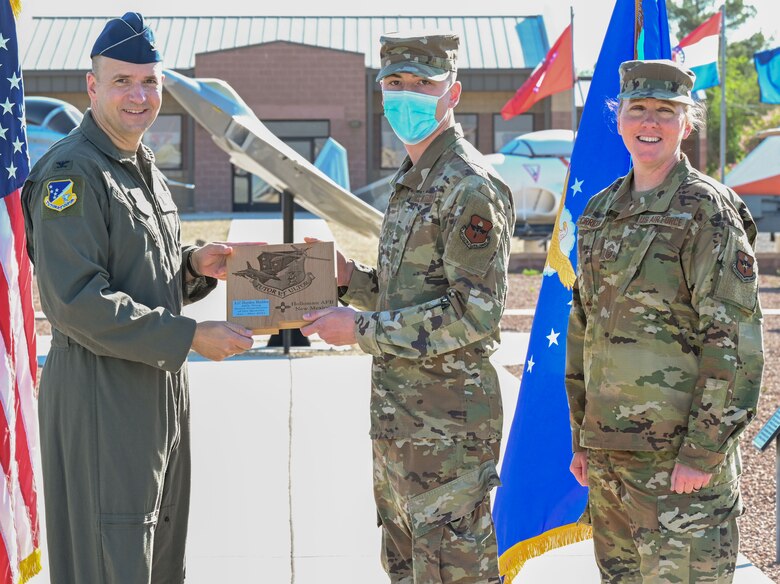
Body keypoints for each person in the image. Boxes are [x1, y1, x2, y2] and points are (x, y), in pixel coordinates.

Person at [21, 13, 254, 583]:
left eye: (149, 81)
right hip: (103, 396)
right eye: (122, 81)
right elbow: (76, 300)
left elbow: (139, 276)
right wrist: (190, 337)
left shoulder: (142, 167)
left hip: (158, 389)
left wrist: (193, 267)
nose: (139, 94)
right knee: (114, 558)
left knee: (159, 556)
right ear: (92, 86)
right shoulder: (73, 173)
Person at [301, 31, 515, 583]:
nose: (407, 95)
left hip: (448, 434)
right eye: (394, 83)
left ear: (453, 93)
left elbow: (474, 314)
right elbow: (412, 298)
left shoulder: (468, 185)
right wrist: (350, 282)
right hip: (403, 430)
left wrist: (362, 328)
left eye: (423, 84)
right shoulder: (413, 179)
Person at [565, 59, 764, 583]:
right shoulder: (600, 211)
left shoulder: (707, 212)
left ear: (686, 125)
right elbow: (584, 330)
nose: (649, 122)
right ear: (620, 118)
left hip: (679, 467)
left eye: (665, 111)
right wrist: (583, 437)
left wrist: (702, 453)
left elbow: (735, 342)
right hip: (611, 460)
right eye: (638, 109)